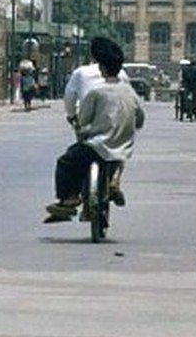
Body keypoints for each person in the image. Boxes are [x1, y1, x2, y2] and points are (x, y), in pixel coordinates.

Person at [45, 38, 145, 222]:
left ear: (102, 68)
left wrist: (80, 125)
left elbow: (83, 120)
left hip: (98, 145)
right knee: (115, 157)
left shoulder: (96, 92)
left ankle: (70, 198)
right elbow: (140, 119)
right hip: (123, 145)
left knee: (66, 162)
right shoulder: (130, 92)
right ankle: (114, 180)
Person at [63, 37, 130, 205]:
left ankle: (73, 194)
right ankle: (115, 179)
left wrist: (72, 117)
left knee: (78, 155)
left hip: (86, 123)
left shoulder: (80, 72)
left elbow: (69, 97)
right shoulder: (120, 73)